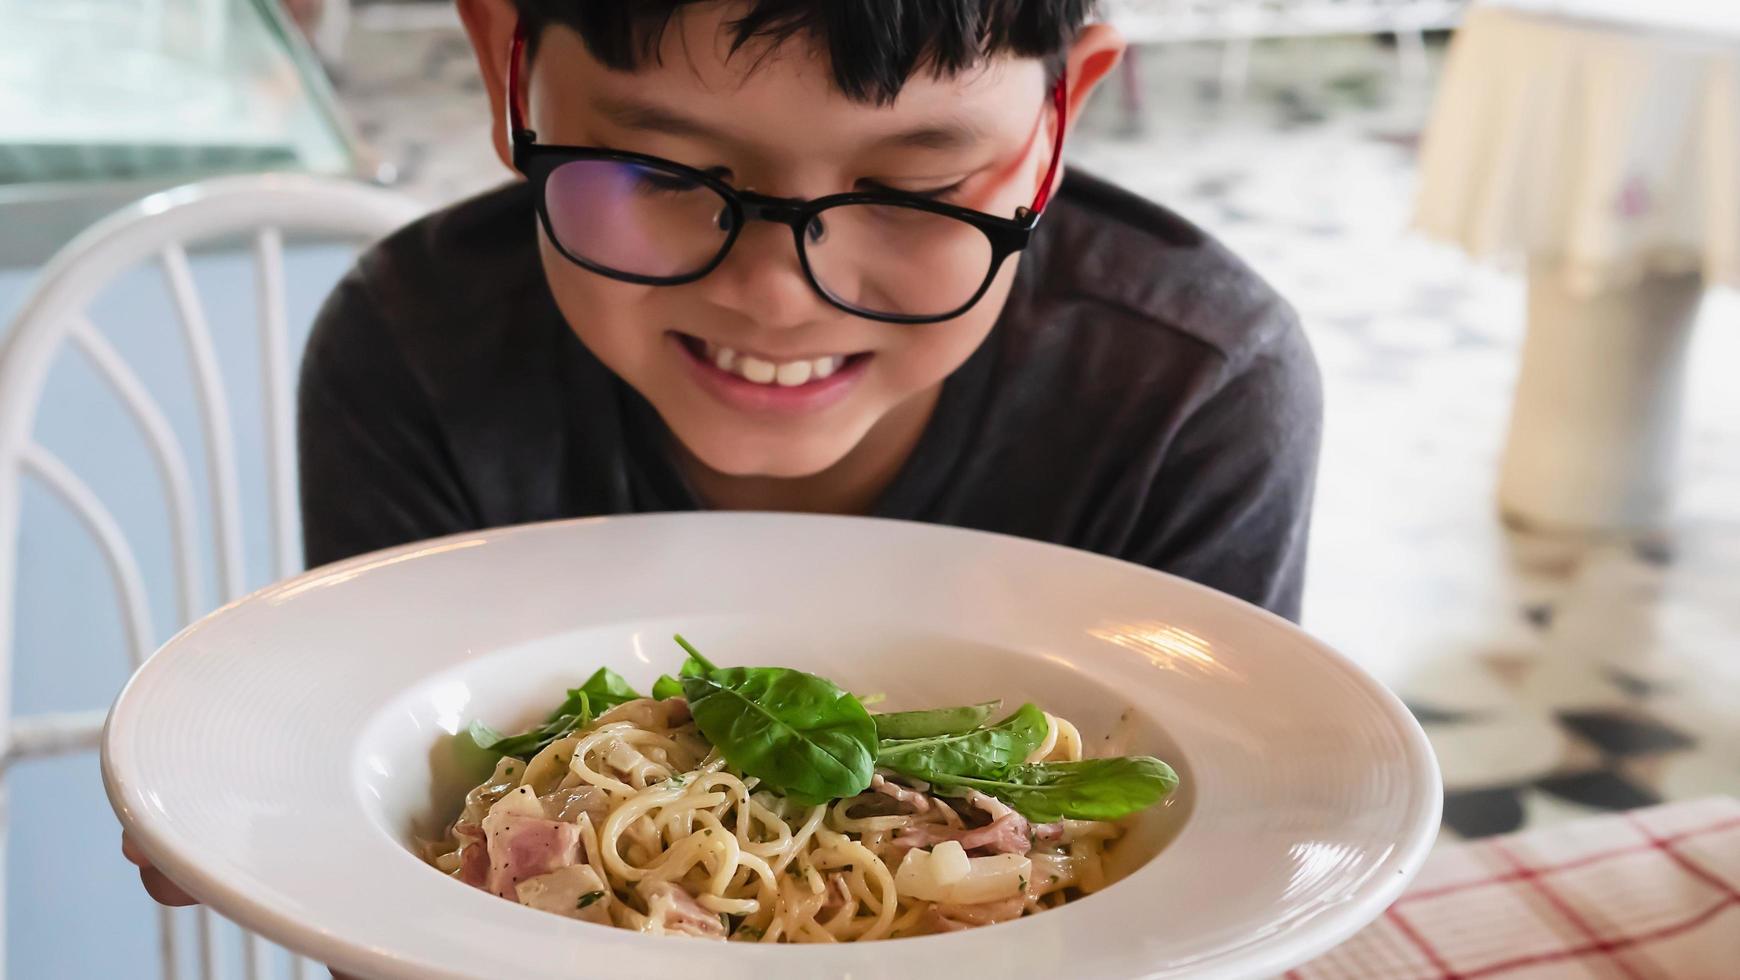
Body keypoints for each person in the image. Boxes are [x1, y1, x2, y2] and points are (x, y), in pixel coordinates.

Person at [124, 0, 1322, 960]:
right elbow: (385, 842)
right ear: (505, 61)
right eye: (658, 168)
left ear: (1059, 120)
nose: (775, 290)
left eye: (910, 186)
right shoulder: (414, 351)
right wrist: (284, 834)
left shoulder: (1190, 393)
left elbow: (1198, 879)